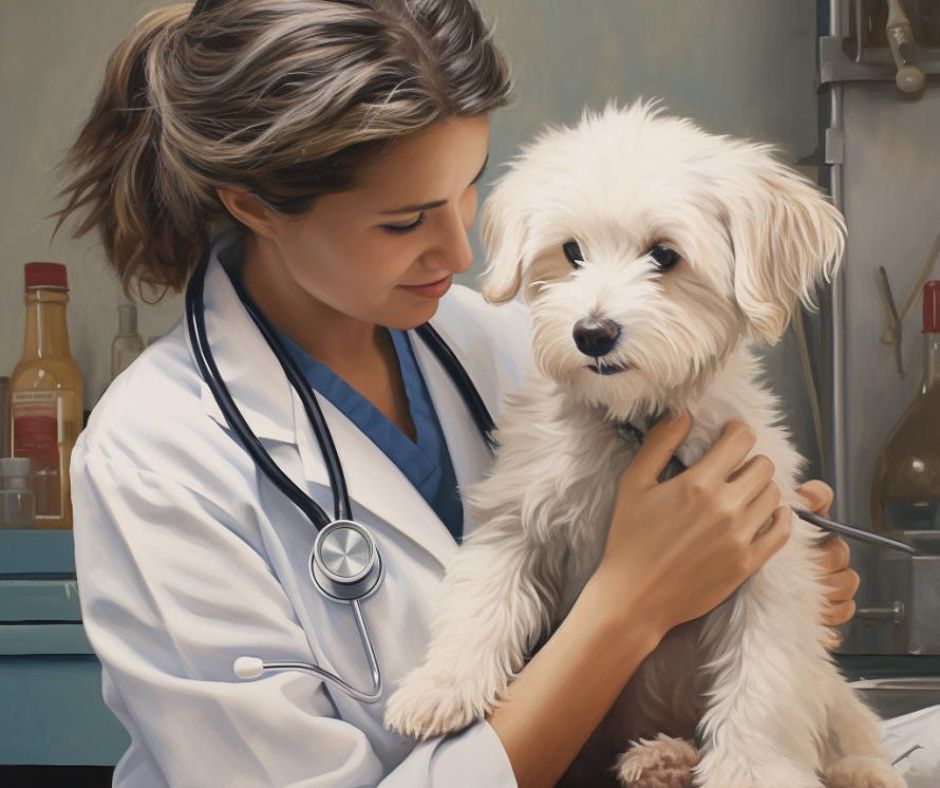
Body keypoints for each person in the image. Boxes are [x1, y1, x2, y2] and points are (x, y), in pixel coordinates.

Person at [55, 1, 860, 786]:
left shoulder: (512, 340)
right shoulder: (156, 458)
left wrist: (751, 579)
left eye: (469, 186)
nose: (461, 247)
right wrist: (633, 602)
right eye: (405, 221)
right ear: (252, 203)